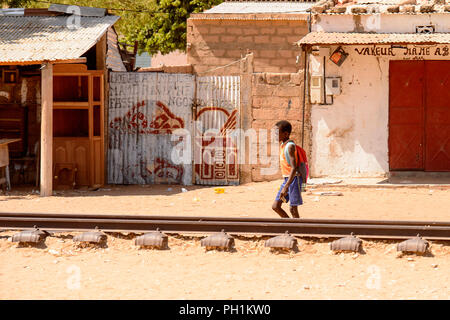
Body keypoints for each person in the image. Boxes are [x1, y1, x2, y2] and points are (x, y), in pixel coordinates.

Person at [272, 120, 305, 218]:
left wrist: (286, 186)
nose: (274, 135)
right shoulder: (283, 145)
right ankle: (290, 226)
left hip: (294, 179)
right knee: (276, 206)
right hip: (287, 179)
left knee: (293, 208)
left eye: (276, 133)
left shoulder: (290, 146)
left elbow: (294, 168)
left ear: (286, 134)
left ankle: (298, 230)